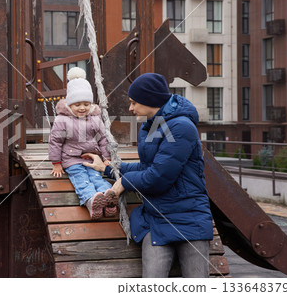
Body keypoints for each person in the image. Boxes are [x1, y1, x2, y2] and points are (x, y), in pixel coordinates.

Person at [83, 73, 213, 278]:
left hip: (189, 219)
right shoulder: (154, 123)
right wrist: (107, 169)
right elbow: (148, 167)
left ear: (150, 101)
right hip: (158, 218)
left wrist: (123, 183)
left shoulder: (181, 128)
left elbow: (158, 178)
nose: (130, 108)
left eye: (134, 102)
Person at [48, 67, 118, 220]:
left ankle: (108, 198)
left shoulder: (95, 118)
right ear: (70, 104)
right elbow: (55, 141)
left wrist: (106, 157)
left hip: (92, 158)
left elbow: (102, 139)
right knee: (81, 178)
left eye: (86, 104)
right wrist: (56, 163)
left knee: (96, 177)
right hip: (71, 159)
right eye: (77, 104)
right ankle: (90, 200)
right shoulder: (63, 119)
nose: (82, 108)